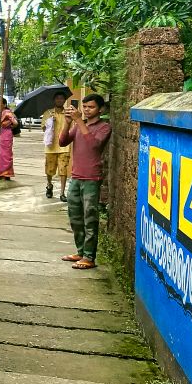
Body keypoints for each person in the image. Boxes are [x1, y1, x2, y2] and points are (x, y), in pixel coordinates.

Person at [59, 94, 111, 270]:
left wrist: (79, 122)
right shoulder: (80, 125)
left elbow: (94, 145)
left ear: (100, 109)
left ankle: (89, 256)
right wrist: (67, 122)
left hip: (91, 178)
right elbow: (62, 141)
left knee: (90, 218)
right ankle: (80, 251)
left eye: (91, 107)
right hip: (76, 176)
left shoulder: (104, 127)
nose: (87, 110)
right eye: (85, 107)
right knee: (75, 217)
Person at [41, 92, 72, 200]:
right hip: (50, 147)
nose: (59, 100)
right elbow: (44, 129)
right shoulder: (48, 113)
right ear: (54, 100)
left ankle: (62, 193)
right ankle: (49, 185)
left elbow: (72, 129)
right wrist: (50, 122)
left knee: (63, 170)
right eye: (57, 98)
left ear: (64, 100)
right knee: (49, 170)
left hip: (64, 147)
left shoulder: (68, 113)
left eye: (62, 98)